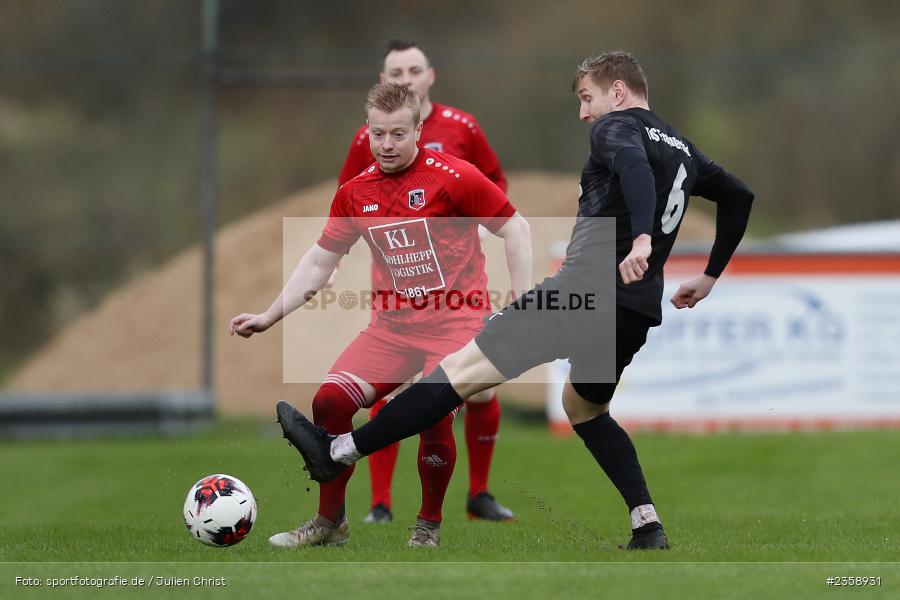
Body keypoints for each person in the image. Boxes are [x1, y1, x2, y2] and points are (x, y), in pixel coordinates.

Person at [275, 51, 754, 550]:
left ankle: (339, 451)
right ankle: (647, 524)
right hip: (634, 311)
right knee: (585, 408)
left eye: (587, 98)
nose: (583, 113)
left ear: (617, 92)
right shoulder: (682, 149)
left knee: (456, 374)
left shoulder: (615, 129)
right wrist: (710, 275)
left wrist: (639, 240)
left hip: (582, 293)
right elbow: (740, 197)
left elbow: (631, 166)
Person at [229, 83, 531, 548]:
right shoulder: (355, 193)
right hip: (392, 329)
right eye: (377, 134)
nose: (386, 145)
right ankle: (331, 525)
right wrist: (270, 315)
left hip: (456, 323)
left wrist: (521, 303)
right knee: (329, 402)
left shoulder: (454, 176)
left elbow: (516, 227)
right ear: (367, 132)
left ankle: (427, 527)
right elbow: (318, 261)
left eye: (396, 134)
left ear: (418, 131)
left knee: (432, 415)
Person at [338, 39, 514, 524]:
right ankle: (381, 503)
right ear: (383, 80)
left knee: (477, 390)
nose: (405, 79)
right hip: (396, 291)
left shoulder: (462, 128)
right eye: (395, 72)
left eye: (413, 70)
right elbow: (351, 200)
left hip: (457, 288)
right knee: (394, 391)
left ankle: (478, 494)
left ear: (430, 76)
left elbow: (495, 188)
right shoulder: (368, 137)